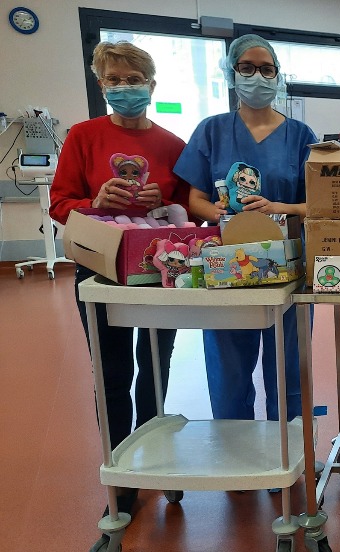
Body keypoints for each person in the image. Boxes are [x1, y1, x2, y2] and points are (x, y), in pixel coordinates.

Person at [49, 41, 191, 514]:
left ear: (151, 85)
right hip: (100, 267)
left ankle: (153, 457)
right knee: (111, 372)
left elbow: (188, 208)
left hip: (157, 268)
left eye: (134, 79)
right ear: (101, 84)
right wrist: (95, 203)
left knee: (155, 365)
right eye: (114, 79)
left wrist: (163, 203)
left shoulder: (172, 145)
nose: (125, 88)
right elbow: (59, 204)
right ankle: (119, 469)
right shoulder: (83, 136)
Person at [174, 34, 317, 422]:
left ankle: (289, 442)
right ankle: (233, 444)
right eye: (247, 68)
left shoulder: (301, 136)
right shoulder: (212, 130)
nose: (258, 76)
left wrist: (278, 208)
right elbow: (194, 199)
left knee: (289, 363)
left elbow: (318, 204)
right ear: (231, 73)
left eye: (266, 69)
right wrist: (222, 214)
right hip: (227, 262)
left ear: (277, 76)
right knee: (229, 366)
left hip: (288, 266)